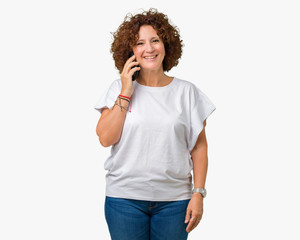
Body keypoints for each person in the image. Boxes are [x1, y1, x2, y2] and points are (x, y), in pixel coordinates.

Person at [94, 8, 216, 240]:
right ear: (130, 50)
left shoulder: (187, 92)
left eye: (155, 41)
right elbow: (105, 138)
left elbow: (199, 148)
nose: (148, 49)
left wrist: (198, 194)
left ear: (166, 45)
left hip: (175, 202)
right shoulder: (116, 90)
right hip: (124, 200)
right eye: (140, 43)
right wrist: (126, 91)